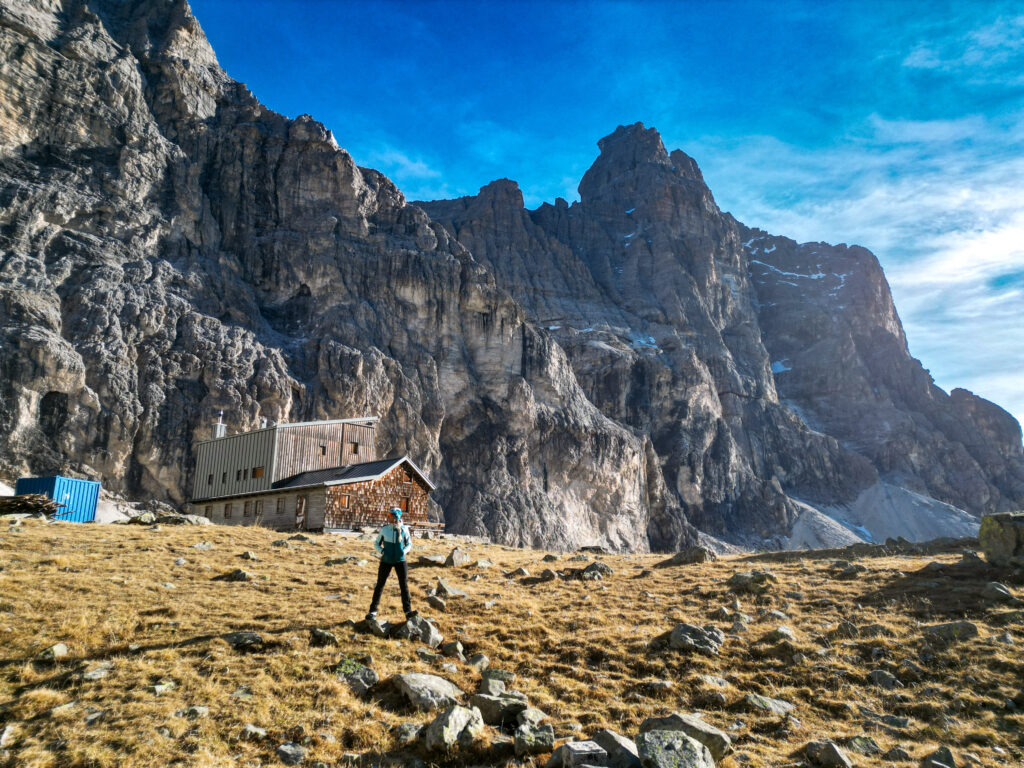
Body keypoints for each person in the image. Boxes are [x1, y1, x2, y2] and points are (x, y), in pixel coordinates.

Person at [366, 507, 415, 621]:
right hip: (386, 561)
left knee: (404, 586)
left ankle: (408, 612)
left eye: (390, 515)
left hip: (400, 561)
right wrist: (382, 551)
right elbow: (376, 544)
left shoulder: (404, 529)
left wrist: (404, 551)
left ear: (396, 517)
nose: (388, 517)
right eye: (388, 515)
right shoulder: (384, 529)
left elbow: (409, 544)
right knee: (380, 585)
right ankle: (373, 612)